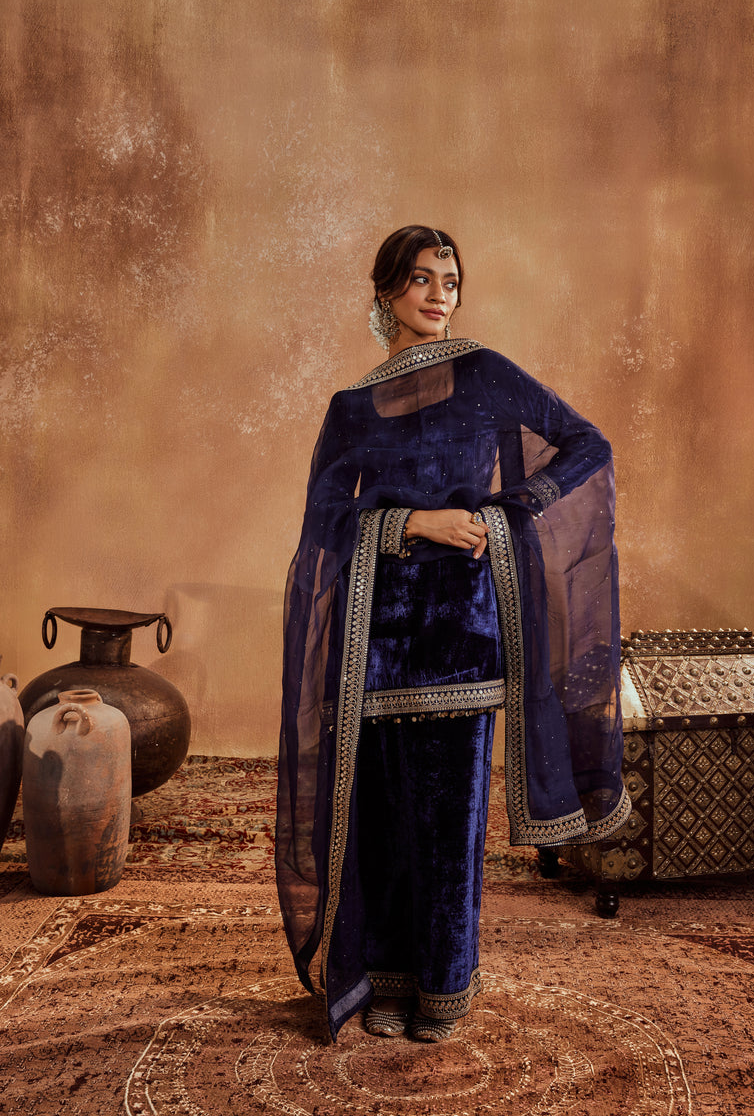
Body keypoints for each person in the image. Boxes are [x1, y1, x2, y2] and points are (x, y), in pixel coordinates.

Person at [275, 225, 630, 1044]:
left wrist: (509, 511)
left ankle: (443, 986)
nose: (440, 295)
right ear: (386, 291)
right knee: (381, 813)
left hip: (462, 629)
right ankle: (386, 981)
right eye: (422, 279)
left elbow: (587, 444)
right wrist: (415, 523)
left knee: (449, 812)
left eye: (451, 280)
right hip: (376, 631)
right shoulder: (351, 408)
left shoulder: (484, 374)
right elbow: (324, 522)